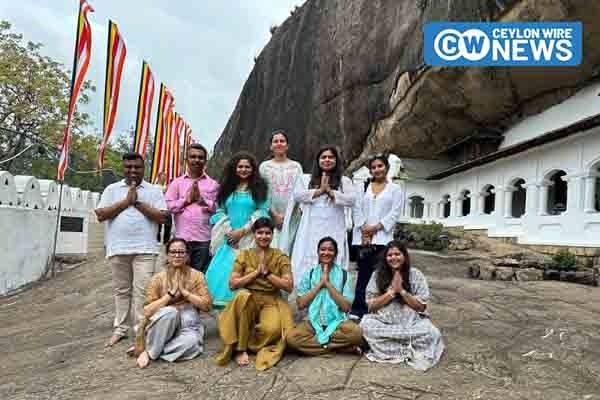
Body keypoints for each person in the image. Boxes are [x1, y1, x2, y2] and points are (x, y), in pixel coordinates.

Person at [95, 152, 168, 347]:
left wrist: (136, 202)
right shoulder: (112, 189)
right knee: (121, 290)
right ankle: (120, 329)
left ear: (144, 168)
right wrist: (125, 202)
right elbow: (101, 215)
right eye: (129, 167)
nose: (133, 170)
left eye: (137, 167)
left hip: (145, 249)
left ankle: (140, 330)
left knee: (142, 291)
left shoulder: (154, 191)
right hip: (118, 248)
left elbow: (162, 217)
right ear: (123, 168)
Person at [215, 218, 294, 370]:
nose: (264, 236)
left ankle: (251, 340)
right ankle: (241, 348)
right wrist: (256, 273)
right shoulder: (244, 255)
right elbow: (232, 284)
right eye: (260, 233)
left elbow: (289, 286)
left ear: (272, 235)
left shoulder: (280, 257)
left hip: (271, 299)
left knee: (272, 330)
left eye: (267, 233)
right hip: (249, 297)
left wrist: (268, 274)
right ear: (254, 234)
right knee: (242, 296)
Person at [360, 241, 444, 370]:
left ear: (404, 256)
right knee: (365, 326)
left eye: (397, 254)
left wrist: (402, 291)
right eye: (390, 255)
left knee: (432, 333)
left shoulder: (415, 274)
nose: (394, 258)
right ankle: (406, 347)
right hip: (383, 322)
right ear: (385, 258)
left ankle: (393, 346)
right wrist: (391, 293)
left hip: (411, 323)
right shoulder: (377, 275)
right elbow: (371, 306)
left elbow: (421, 307)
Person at [280, 145, 355, 284]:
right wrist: (320, 191)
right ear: (318, 160)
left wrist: (330, 192)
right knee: (309, 258)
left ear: (336, 160)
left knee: (333, 256)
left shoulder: (344, 181)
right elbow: (297, 195)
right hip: (310, 228)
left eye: (331, 157)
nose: (327, 160)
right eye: (323, 157)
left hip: (334, 227)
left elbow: (351, 200)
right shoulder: (305, 179)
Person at [205, 152, 270, 307]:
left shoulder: (260, 188)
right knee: (223, 273)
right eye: (240, 166)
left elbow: (262, 211)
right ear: (234, 168)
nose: (243, 169)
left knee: (250, 273)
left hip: (251, 237)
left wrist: (243, 231)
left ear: (253, 169)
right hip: (229, 239)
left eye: (247, 167)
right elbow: (219, 211)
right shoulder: (226, 188)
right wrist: (230, 232)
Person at [134, 238, 212, 368]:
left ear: (187, 256)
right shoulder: (158, 278)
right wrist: (169, 296)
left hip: (188, 324)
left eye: (181, 252)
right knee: (171, 312)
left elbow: (207, 306)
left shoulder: (197, 276)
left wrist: (186, 293)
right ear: (167, 255)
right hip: (163, 323)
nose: (177, 255)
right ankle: (151, 352)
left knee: (192, 342)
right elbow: (147, 311)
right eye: (173, 252)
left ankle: (153, 349)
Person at [286, 237, 363, 355]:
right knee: (292, 339)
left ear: (335, 253)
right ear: (318, 252)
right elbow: (301, 304)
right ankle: (340, 348)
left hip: (337, 323)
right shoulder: (310, 274)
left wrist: (328, 284)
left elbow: (346, 307)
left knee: (357, 333)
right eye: (322, 249)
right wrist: (319, 285)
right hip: (312, 322)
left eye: (330, 250)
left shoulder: (345, 275)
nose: (326, 253)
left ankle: (317, 347)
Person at [349, 153, 403, 320]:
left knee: (381, 275)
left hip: (383, 239)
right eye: (373, 167)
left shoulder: (395, 189)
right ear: (370, 170)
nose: (377, 169)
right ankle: (358, 309)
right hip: (363, 239)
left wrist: (375, 228)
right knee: (363, 275)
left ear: (387, 167)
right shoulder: (362, 187)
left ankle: (378, 309)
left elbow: (395, 213)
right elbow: (356, 208)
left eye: (380, 166)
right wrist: (364, 229)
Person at [165, 143, 219, 272]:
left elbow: (219, 209)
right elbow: (169, 206)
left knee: (199, 277)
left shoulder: (213, 185)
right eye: (193, 156)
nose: (196, 160)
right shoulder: (177, 183)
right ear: (186, 160)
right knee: (178, 276)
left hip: (204, 240)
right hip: (181, 240)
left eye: (200, 157)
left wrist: (203, 201)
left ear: (205, 161)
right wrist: (186, 201)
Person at [259, 130, 303, 249]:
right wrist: (274, 215)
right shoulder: (264, 167)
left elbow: (299, 192)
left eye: (282, 141)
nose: (279, 143)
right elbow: (261, 193)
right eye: (276, 141)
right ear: (271, 146)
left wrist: (287, 215)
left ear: (287, 145)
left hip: (293, 216)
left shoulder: (296, 166)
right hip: (270, 215)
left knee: (291, 250)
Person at [155, 172, 172, 244]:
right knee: (158, 227)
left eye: (165, 177)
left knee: (168, 226)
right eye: (163, 177)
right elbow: (163, 191)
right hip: (158, 208)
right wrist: (169, 186)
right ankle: (157, 241)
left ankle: (166, 241)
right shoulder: (155, 187)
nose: (164, 178)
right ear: (159, 178)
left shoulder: (166, 186)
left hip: (167, 209)